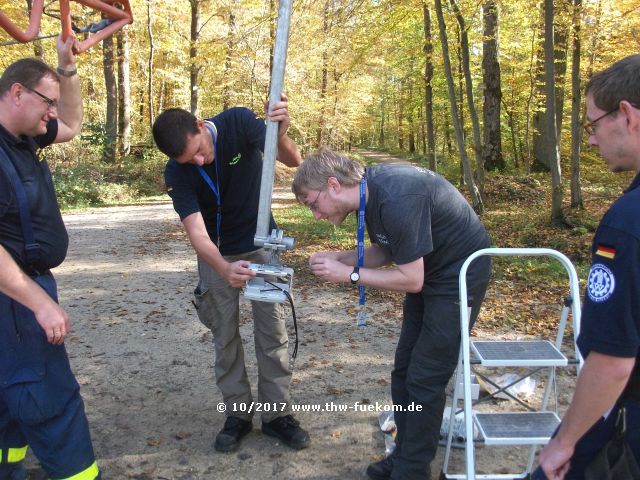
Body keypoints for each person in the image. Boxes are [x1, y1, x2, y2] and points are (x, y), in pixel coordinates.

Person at [292, 149, 492, 480]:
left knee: (425, 378)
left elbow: (411, 279)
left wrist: (350, 275)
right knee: (404, 372)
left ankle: (412, 471)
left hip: (457, 278)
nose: (315, 215)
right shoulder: (370, 193)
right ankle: (405, 455)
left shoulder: (397, 196)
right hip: (429, 271)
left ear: (333, 185)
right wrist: (344, 258)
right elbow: (388, 249)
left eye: (314, 204)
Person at [152, 99, 310, 453]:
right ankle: (238, 414)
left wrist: (281, 131)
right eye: (187, 160)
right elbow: (196, 233)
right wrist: (223, 268)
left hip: (261, 246)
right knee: (224, 336)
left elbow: (291, 159)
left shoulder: (238, 123)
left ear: (199, 123)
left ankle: (276, 416)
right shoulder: (177, 173)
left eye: (197, 150)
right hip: (215, 256)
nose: (196, 161)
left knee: (272, 333)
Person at [534, 55, 640, 480]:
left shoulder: (628, 224)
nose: (591, 140)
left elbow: (614, 359)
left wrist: (565, 441)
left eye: (592, 124)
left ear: (628, 115)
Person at [0, 38, 101, 480]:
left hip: (22, 291)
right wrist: (39, 302)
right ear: (17, 93)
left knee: (9, 401)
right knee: (49, 398)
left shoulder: (24, 138)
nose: (53, 114)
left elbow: (74, 123)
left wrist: (67, 69)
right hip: (15, 298)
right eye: (48, 101)